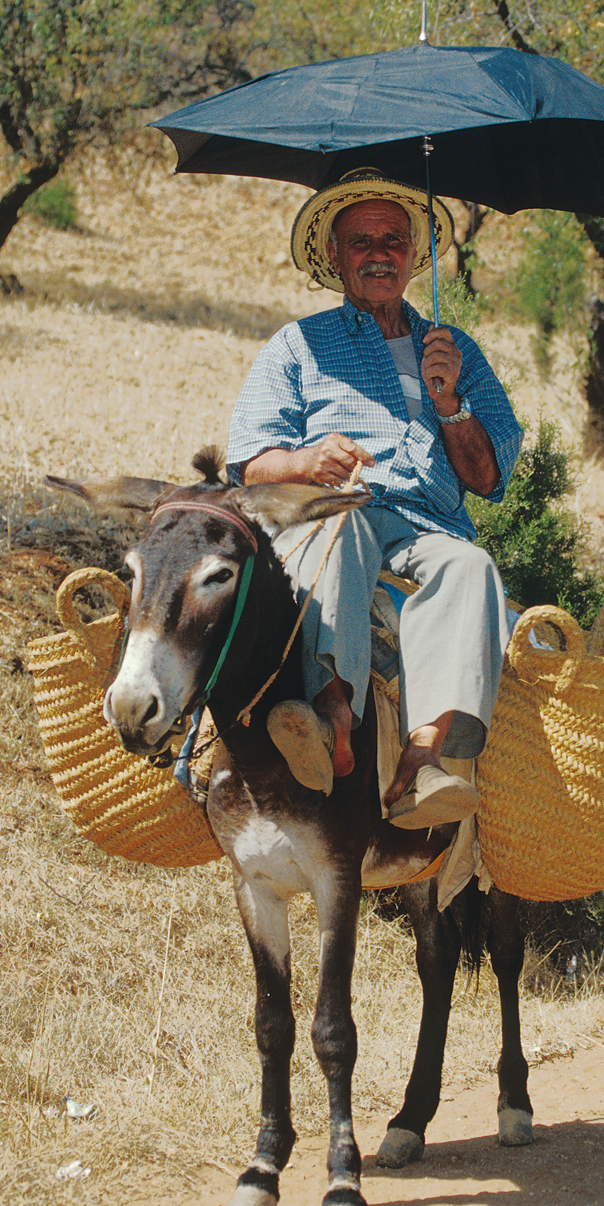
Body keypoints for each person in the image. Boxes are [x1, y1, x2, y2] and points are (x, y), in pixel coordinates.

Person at [226, 168, 523, 828]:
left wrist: (451, 404)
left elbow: (486, 478)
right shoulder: (297, 347)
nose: (379, 253)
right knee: (351, 525)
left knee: (470, 565)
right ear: (334, 256)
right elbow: (250, 466)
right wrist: (306, 460)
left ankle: (424, 763)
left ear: (416, 255)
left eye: (393, 239)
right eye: (361, 241)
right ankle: (332, 718)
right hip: (330, 517)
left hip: (427, 528)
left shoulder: (456, 352)